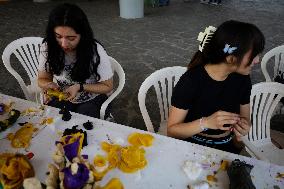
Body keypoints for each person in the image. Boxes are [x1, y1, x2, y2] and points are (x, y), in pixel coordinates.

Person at [167, 20, 265, 154]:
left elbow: (244, 121)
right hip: (189, 149)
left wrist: (243, 128)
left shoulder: (242, 79)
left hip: (227, 148)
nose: (257, 60)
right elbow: (172, 131)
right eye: (254, 55)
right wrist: (206, 123)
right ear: (231, 58)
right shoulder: (191, 81)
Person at [38, 3, 113, 118]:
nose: (63, 44)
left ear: (82, 35)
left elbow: (108, 86)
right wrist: (48, 84)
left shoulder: (95, 50)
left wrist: (80, 87)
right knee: (53, 117)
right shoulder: (48, 47)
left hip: (93, 96)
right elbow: (42, 79)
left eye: (71, 38)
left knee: (83, 118)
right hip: (64, 95)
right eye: (58, 36)